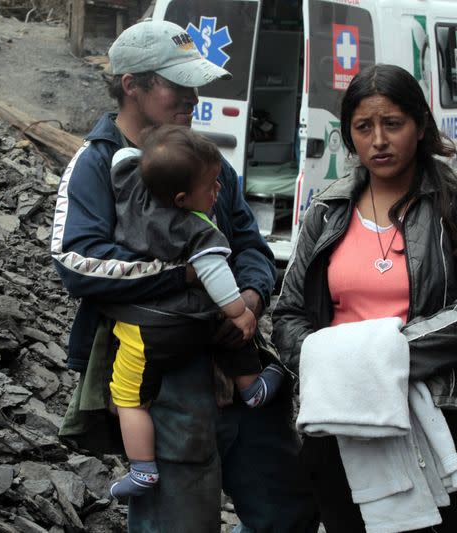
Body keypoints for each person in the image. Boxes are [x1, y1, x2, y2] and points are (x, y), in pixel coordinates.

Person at [52, 19, 318, 533]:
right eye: (178, 85)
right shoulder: (97, 164)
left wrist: (251, 297)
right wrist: (191, 276)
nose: (194, 97)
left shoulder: (202, 159)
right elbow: (77, 262)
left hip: (237, 363)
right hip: (164, 382)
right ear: (133, 84)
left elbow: (248, 244)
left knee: (287, 507)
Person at [271, 64, 457, 532]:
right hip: (341, 414)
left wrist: (384, 359)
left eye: (393, 124)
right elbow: (290, 313)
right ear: (350, 136)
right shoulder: (327, 209)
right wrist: (336, 366)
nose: (378, 139)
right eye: (364, 127)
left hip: (429, 409)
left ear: (420, 127)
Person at [104, 125, 286, 500]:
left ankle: (141, 467)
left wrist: (148, 156)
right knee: (228, 325)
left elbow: (123, 159)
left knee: (130, 398)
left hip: (142, 328)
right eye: (211, 188)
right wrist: (239, 309)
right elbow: (217, 276)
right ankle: (252, 387)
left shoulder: (129, 191)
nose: (217, 192)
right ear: (184, 198)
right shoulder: (197, 230)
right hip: (183, 325)